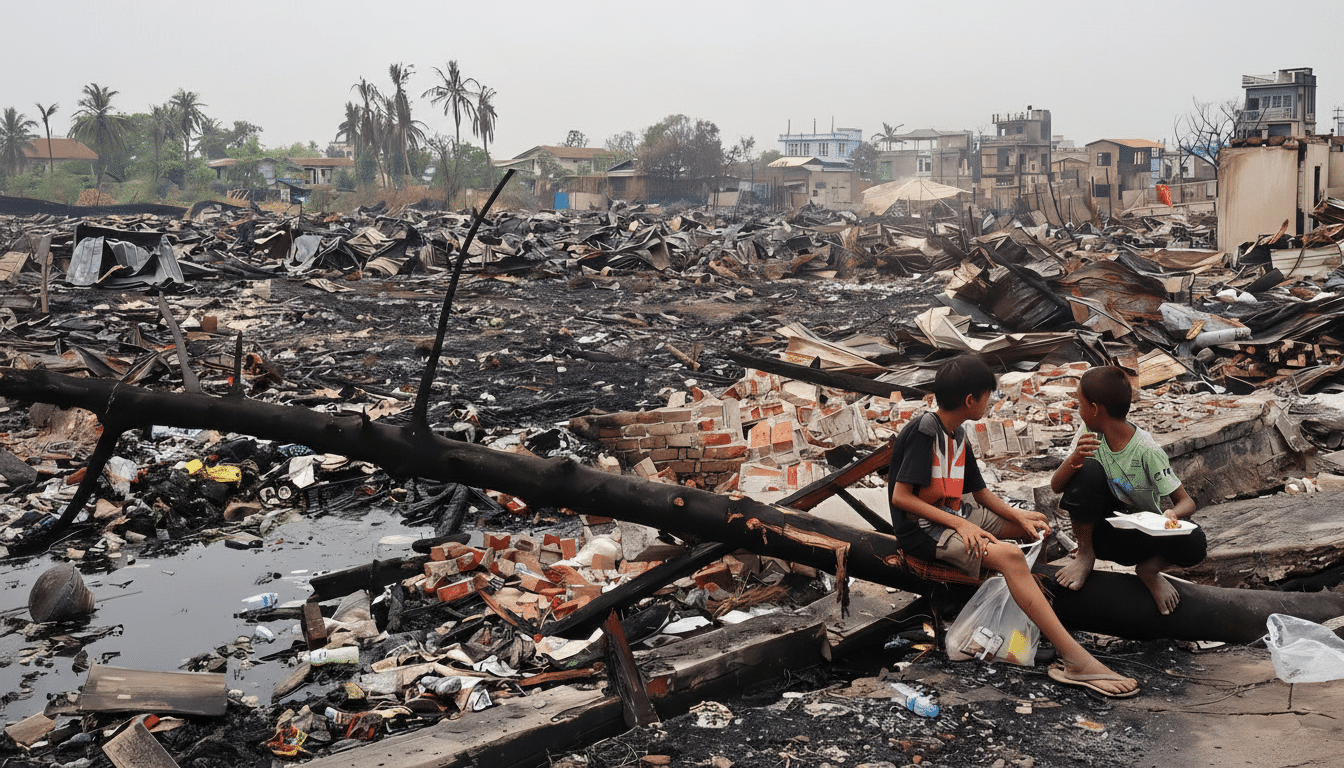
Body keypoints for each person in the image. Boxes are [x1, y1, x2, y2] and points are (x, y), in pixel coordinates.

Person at [888, 355, 1139, 697]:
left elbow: (980, 492)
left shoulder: (957, 433)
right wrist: (961, 525)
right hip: (924, 530)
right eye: (987, 397)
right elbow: (902, 498)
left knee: (1034, 527)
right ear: (970, 400)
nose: (989, 403)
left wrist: (1019, 518)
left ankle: (1033, 619)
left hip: (956, 514)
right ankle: (1075, 658)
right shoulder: (924, 431)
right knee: (1009, 557)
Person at [1050, 365, 1205, 615]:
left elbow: (1186, 502)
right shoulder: (1089, 435)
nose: (1078, 412)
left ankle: (1149, 571)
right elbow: (1057, 486)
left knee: (1196, 540)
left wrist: (1172, 515)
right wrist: (1074, 459)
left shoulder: (1147, 451)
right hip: (1100, 535)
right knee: (1087, 470)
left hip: (1140, 538)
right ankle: (1085, 556)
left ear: (1094, 409)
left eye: (1079, 405)